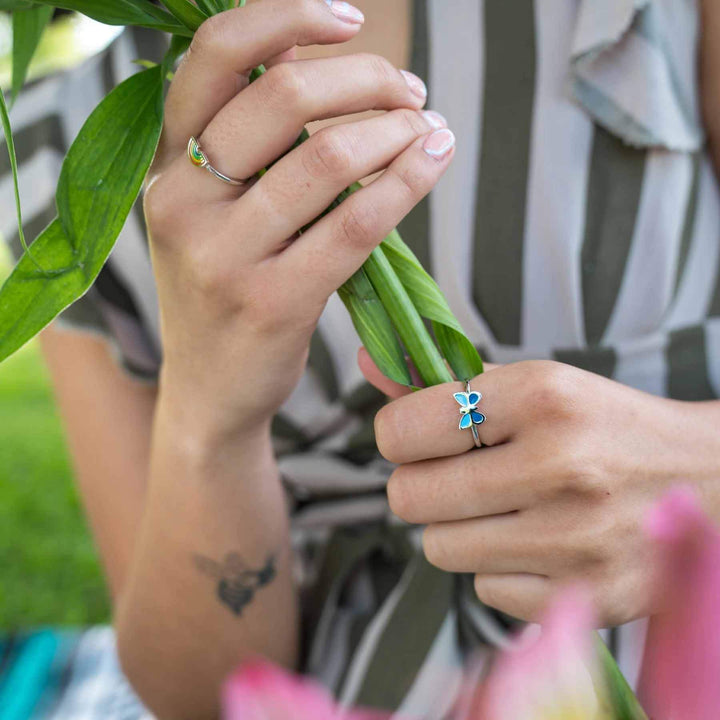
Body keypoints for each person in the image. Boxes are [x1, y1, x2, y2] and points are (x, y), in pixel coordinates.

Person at [3, 0, 720, 717]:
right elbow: (197, 698)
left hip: (677, 658)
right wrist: (210, 416)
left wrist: (700, 480)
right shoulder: (69, 163)